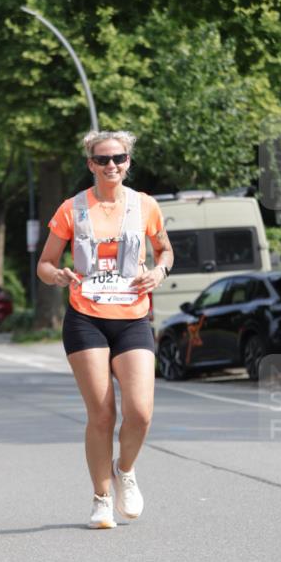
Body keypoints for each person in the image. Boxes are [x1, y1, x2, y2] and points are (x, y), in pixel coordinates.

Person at [37, 130, 174, 529]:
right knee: (101, 413)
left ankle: (124, 469)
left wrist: (159, 272)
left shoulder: (145, 205)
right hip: (86, 318)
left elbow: (165, 251)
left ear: (128, 161)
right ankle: (101, 499)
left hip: (132, 318)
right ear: (90, 164)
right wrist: (56, 275)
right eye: (102, 159)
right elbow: (44, 264)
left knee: (140, 412)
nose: (111, 165)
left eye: (119, 158)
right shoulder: (72, 208)